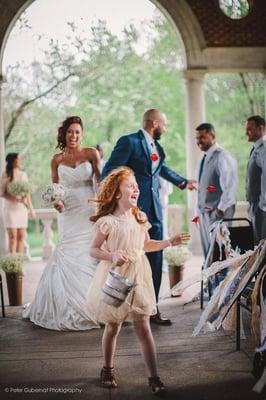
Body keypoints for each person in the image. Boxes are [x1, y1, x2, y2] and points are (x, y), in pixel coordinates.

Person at [86, 167, 190, 393]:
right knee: (113, 325)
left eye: (136, 185)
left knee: (143, 325)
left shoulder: (139, 217)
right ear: (116, 193)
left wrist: (168, 242)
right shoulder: (108, 222)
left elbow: (146, 245)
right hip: (115, 276)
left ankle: (154, 377)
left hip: (139, 275)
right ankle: (107, 368)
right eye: (130, 185)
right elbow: (93, 250)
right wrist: (111, 255)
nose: (136, 188)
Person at [102, 109, 196, 325]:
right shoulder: (129, 142)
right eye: (164, 124)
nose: (166, 127)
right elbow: (110, 171)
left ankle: (151, 310)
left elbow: (160, 169)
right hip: (132, 212)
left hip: (155, 211)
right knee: (128, 259)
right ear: (154, 123)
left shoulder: (156, 146)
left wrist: (183, 182)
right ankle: (122, 310)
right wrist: (113, 202)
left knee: (155, 259)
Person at [23, 116, 102, 331]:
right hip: (68, 213)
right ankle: (63, 304)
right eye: (70, 132)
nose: (73, 136)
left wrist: (101, 208)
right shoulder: (56, 160)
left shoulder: (91, 154)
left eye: (77, 132)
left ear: (82, 134)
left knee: (89, 252)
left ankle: (94, 303)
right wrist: (56, 203)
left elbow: (101, 182)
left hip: (88, 209)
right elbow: (55, 189)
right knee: (67, 251)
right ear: (64, 134)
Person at [193, 123, 238, 291]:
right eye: (197, 138)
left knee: (220, 252)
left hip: (217, 214)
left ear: (213, 136)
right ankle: (213, 286)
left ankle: (221, 289)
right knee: (209, 253)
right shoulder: (203, 159)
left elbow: (230, 186)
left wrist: (220, 209)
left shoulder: (222, 156)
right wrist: (197, 212)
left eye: (202, 137)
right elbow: (202, 187)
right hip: (205, 214)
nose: (199, 141)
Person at [1, 153, 35, 253]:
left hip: (21, 210)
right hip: (10, 209)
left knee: (21, 237)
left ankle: (18, 263)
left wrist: (31, 209)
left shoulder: (23, 174)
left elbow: (27, 194)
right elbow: (2, 193)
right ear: (13, 161)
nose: (20, 161)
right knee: (13, 237)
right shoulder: (5, 174)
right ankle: (12, 264)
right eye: (18, 159)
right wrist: (15, 199)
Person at [245, 115, 266, 245]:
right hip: (255, 206)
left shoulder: (264, 149)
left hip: (261, 207)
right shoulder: (256, 149)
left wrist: (262, 205)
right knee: (257, 243)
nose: (246, 132)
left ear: (261, 128)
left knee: (261, 245)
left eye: (249, 129)